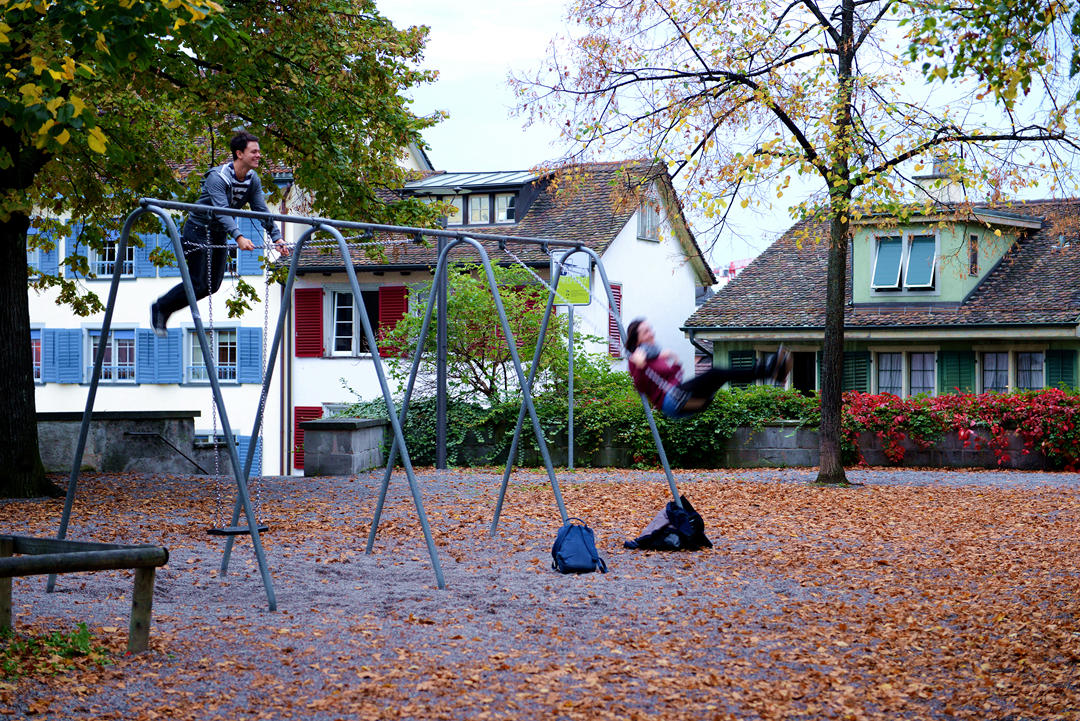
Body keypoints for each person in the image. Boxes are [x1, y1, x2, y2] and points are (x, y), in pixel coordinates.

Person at [151, 130, 289, 337]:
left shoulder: (252, 179)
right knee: (198, 282)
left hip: (217, 234)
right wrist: (239, 237)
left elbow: (260, 210)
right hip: (198, 230)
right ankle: (161, 307)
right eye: (254, 152)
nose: (259, 155)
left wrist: (276, 237)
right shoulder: (218, 177)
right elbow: (222, 210)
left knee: (211, 286)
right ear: (239, 154)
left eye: (259, 152)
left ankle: (165, 307)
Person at [625, 318, 792, 419]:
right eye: (646, 332)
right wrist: (639, 367)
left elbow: (675, 378)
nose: (651, 333)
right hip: (672, 403)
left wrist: (675, 363)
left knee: (721, 375)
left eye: (650, 329)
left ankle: (772, 372)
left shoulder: (655, 356)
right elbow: (640, 388)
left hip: (684, 398)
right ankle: (770, 371)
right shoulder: (635, 359)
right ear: (637, 339)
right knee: (715, 373)